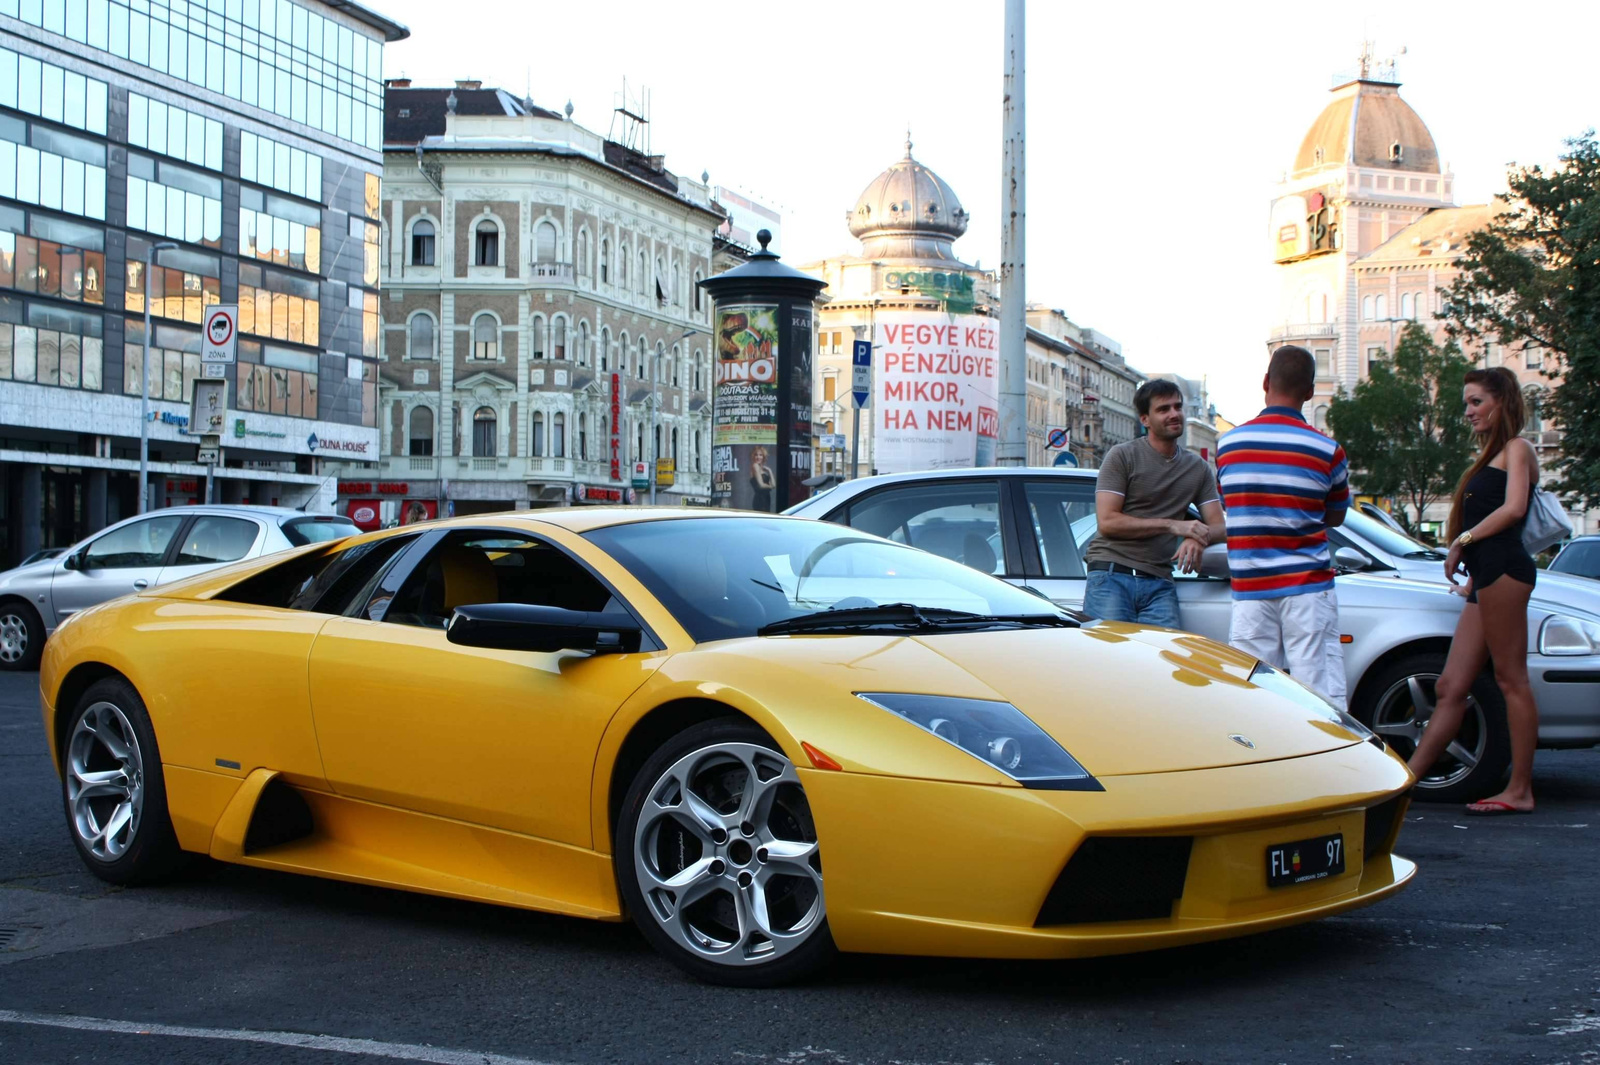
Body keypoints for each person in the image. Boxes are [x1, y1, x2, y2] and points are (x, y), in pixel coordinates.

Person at [1407, 367, 1540, 814]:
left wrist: (1462, 542)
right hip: (1486, 578)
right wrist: (1469, 567)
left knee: (1510, 679)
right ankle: (1404, 783)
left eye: (1476, 401)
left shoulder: (1517, 449)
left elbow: (1514, 508)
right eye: (1466, 403)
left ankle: (1520, 790)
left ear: (1501, 401)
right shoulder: (1491, 456)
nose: (1468, 411)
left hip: (1505, 571)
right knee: (1450, 686)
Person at [1216, 346, 1350, 710]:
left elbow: (1233, 508)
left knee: (1252, 696)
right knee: (1319, 694)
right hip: (1308, 589)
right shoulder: (1327, 450)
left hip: (1250, 592)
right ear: (1309, 391)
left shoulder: (1228, 446)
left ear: (1265, 383)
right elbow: (1335, 516)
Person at [1084, 378, 1224, 627]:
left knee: (1163, 663)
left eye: (1177, 406)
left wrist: (1196, 537)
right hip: (1111, 575)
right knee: (1111, 665)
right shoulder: (1122, 456)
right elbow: (1108, 522)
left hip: (1160, 581)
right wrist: (1174, 526)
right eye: (1163, 409)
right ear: (1145, 419)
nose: (1174, 414)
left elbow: (1220, 527)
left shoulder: (1198, 468)